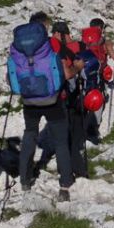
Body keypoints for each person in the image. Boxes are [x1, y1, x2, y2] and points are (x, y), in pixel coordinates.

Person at [8, 12, 75, 201]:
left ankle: (25, 179)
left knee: (30, 134)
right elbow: (67, 73)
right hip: (54, 98)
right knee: (61, 142)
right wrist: (76, 68)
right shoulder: (52, 44)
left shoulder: (18, 47)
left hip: (29, 99)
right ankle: (64, 186)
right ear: (44, 27)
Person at [37, 21, 88, 179]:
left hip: (39, 96)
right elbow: (68, 73)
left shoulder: (41, 47)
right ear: (60, 34)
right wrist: (78, 68)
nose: (68, 37)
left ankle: (28, 175)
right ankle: (73, 174)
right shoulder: (60, 47)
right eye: (66, 34)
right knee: (67, 136)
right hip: (62, 97)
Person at [80, 18, 114, 143]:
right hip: (99, 75)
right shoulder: (106, 43)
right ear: (102, 29)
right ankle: (93, 130)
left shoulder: (83, 42)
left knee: (84, 97)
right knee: (98, 102)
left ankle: (80, 124)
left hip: (84, 74)